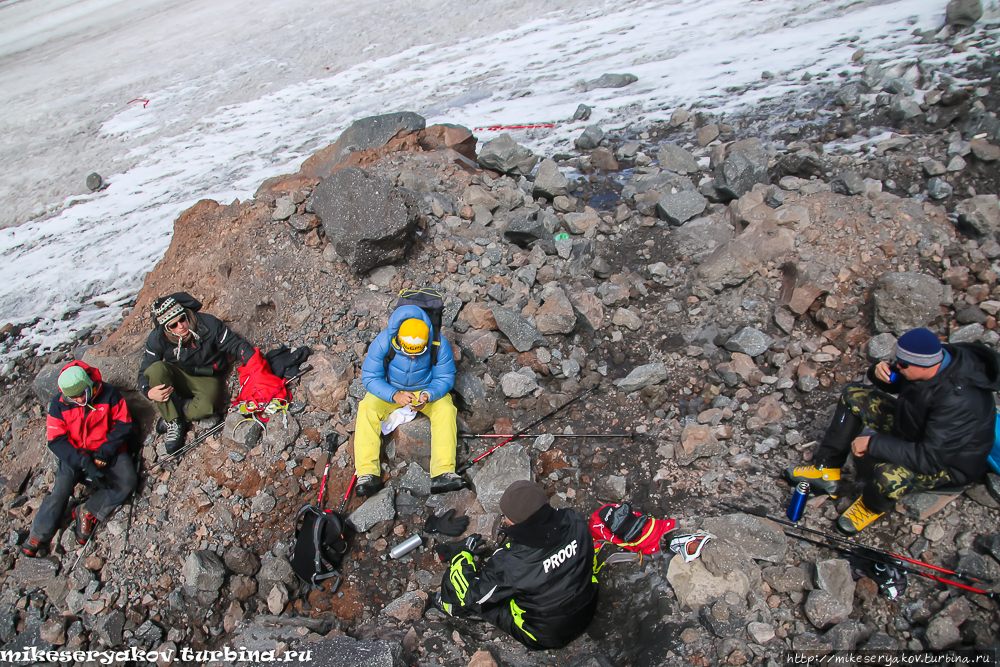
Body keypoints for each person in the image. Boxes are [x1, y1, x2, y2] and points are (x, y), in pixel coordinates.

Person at [786, 327, 1000, 534]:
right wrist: (880, 375)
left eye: (903, 364)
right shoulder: (935, 360)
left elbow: (930, 458)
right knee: (854, 396)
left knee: (886, 476)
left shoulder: (959, 401)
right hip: (917, 429)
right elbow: (908, 385)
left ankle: (870, 506)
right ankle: (827, 469)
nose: (898, 366)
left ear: (925, 366)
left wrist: (873, 444)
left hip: (947, 465)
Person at [434, 481, 599, 650]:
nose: (504, 519)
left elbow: (473, 597)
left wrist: (462, 555)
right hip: (588, 607)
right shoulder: (573, 519)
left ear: (517, 523)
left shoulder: (512, 562)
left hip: (546, 635)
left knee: (464, 589)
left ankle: (449, 606)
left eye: (506, 516)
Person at [22, 362, 137, 557]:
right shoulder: (58, 404)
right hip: (76, 454)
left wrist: (104, 452)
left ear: (89, 385)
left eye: (81, 394)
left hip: (108, 450)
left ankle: (87, 510)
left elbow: (123, 424)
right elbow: (56, 441)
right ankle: (39, 534)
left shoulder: (109, 393)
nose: (78, 400)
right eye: (72, 397)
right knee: (61, 489)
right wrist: (84, 462)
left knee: (127, 481)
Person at [355, 304, 462, 496]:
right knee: (367, 408)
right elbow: (370, 377)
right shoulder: (384, 342)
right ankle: (367, 473)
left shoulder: (438, 343)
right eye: (408, 351)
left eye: (418, 352)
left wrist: (429, 394)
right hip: (390, 388)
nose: (413, 356)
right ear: (398, 341)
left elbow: (445, 378)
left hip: (424, 389)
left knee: (446, 409)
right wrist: (394, 395)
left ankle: (443, 472)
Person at [137, 292, 254, 454]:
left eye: (182, 319)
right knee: (156, 369)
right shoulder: (157, 338)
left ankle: (172, 412)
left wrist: (252, 359)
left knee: (208, 407)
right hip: (179, 377)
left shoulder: (207, 324)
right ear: (166, 328)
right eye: (174, 325)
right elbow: (144, 371)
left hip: (207, 376)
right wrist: (149, 392)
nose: (181, 326)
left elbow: (234, 343)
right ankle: (173, 422)